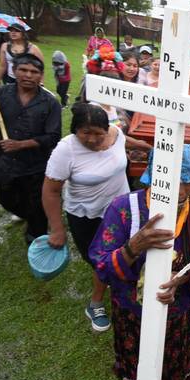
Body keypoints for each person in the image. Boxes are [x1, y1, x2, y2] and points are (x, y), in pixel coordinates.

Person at [89, 145, 190, 380]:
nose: (182, 191)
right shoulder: (123, 210)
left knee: (175, 374)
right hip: (133, 319)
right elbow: (102, 266)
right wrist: (131, 248)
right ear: (154, 177)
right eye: (173, 182)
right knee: (142, 375)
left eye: (188, 182)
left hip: (180, 318)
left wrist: (183, 281)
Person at [42, 103, 129, 332]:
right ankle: (96, 304)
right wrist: (58, 229)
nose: (91, 139)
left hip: (120, 211)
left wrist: (149, 148)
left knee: (121, 256)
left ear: (107, 128)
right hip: (86, 215)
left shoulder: (117, 133)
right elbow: (50, 191)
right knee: (101, 263)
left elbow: (126, 146)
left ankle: (118, 288)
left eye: (97, 133)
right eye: (85, 133)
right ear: (74, 130)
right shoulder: (66, 150)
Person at [0, 54, 62, 243]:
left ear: (41, 75)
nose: (28, 75)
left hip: (37, 167)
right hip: (8, 165)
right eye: (23, 70)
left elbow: (52, 137)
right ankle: (32, 217)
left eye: (34, 72)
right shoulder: (1, 94)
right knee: (4, 198)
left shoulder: (50, 102)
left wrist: (20, 144)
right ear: (14, 71)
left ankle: (35, 238)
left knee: (37, 208)